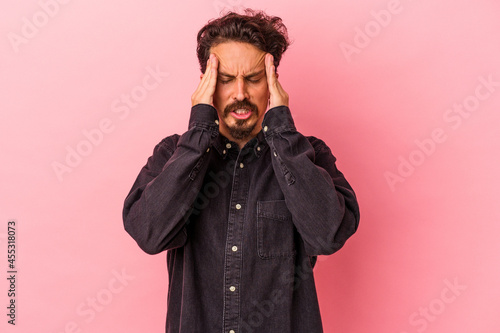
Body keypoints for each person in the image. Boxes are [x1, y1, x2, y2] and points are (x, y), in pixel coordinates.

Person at [123, 9, 360, 333]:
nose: (239, 93)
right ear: (205, 85)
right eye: (224, 80)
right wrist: (199, 131)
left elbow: (328, 235)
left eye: (253, 78)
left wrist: (282, 132)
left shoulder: (308, 155)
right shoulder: (172, 154)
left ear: (273, 82)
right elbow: (149, 234)